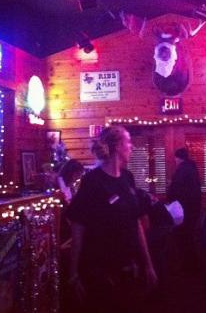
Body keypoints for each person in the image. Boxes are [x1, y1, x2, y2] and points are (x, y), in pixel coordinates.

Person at [66, 126, 157, 313]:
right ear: (117, 146)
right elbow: (78, 227)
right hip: (101, 271)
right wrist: (73, 272)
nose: (132, 147)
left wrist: (148, 264)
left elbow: (136, 223)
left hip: (130, 266)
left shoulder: (128, 177)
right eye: (128, 142)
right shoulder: (92, 181)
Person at [167, 147, 201, 273]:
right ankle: (193, 266)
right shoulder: (193, 169)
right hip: (193, 209)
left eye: (175, 159)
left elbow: (176, 190)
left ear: (178, 158)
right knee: (189, 238)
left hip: (183, 211)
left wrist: (170, 188)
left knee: (183, 238)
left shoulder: (182, 170)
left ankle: (188, 266)